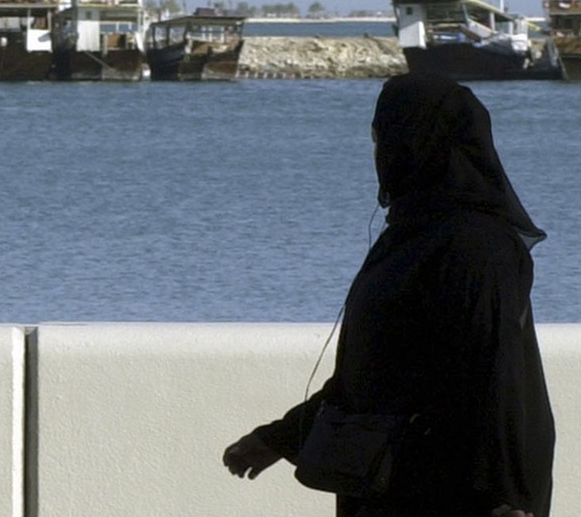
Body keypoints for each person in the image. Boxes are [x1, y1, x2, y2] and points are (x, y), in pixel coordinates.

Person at [223, 72, 555, 517]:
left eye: (385, 138)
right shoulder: (411, 235)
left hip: (450, 493)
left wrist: (503, 497)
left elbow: (495, 375)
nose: (380, 154)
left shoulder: (476, 246)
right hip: (388, 486)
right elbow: (375, 375)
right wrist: (279, 438)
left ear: (418, 141)